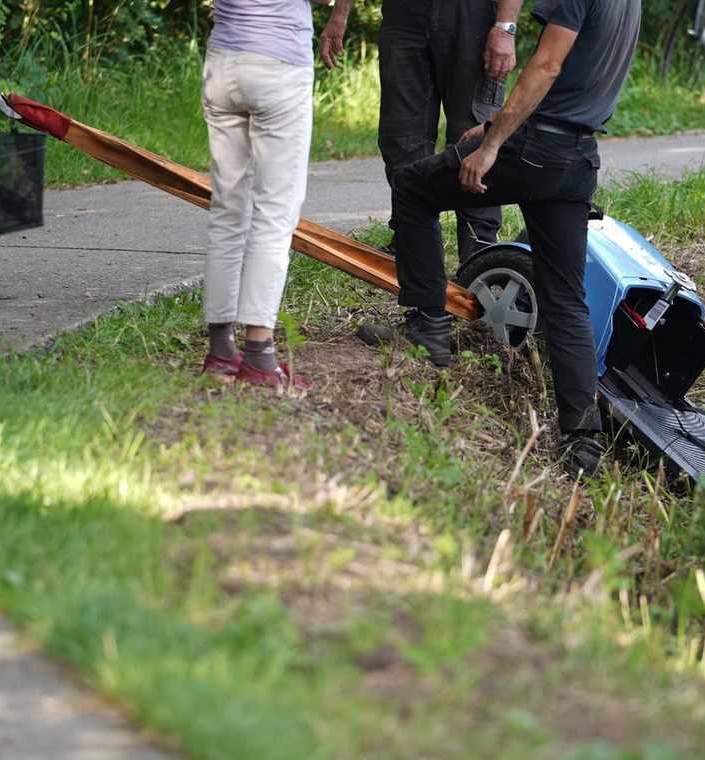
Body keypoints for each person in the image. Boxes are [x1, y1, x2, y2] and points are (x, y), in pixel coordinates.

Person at [372, 0, 641, 477]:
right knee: (566, 298)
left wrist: (493, 144)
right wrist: (493, 126)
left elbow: (548, 63)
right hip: (578, 157)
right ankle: (583, 443)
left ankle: (429, 327)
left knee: (412, 190)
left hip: (535, 147)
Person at [320, 0, 523, 263]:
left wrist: (505, 27)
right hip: (404, 15)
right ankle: (412, 247)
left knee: (472, 137)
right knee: (401, 137)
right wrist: (339, 14)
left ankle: (479, 257)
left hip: (472, 15)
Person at [200, 0, 330, 389]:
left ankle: (221, 350)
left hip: (222, 63)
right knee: (274, 213)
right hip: (279, 65)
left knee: (227, 208)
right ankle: (258, 355)